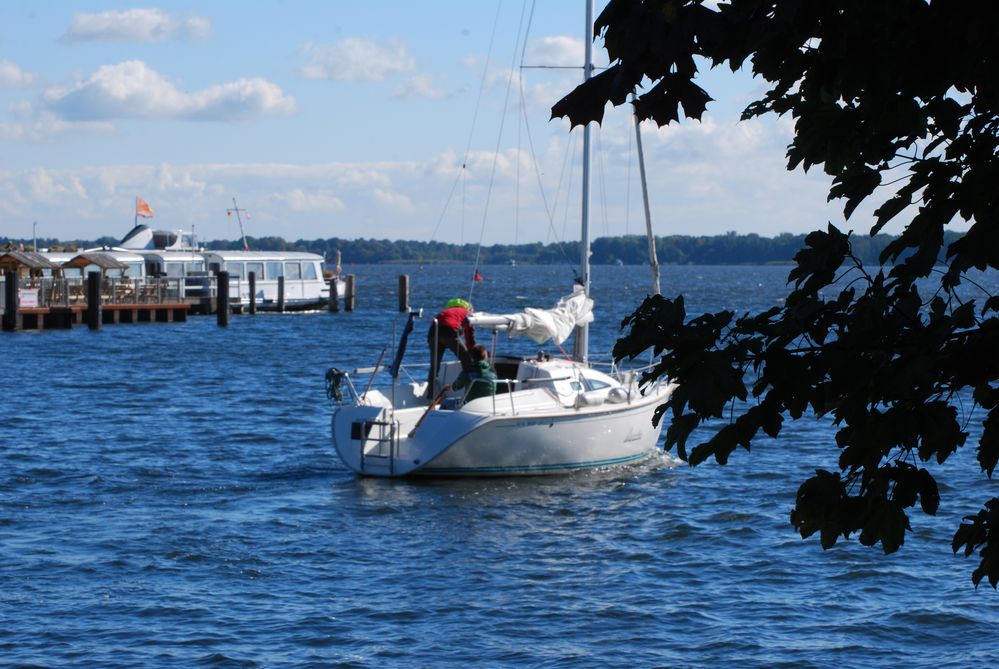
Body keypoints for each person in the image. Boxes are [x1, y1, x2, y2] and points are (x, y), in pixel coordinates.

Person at [426, 298, 475, 398]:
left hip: (432, 335)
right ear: (469, 308)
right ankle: (470, 392)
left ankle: (430, 396)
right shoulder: (467, 313)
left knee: (434, 367)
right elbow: (469, 335)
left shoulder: (446, 311)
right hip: (449, 332)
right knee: (467, 360)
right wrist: (471, 351)